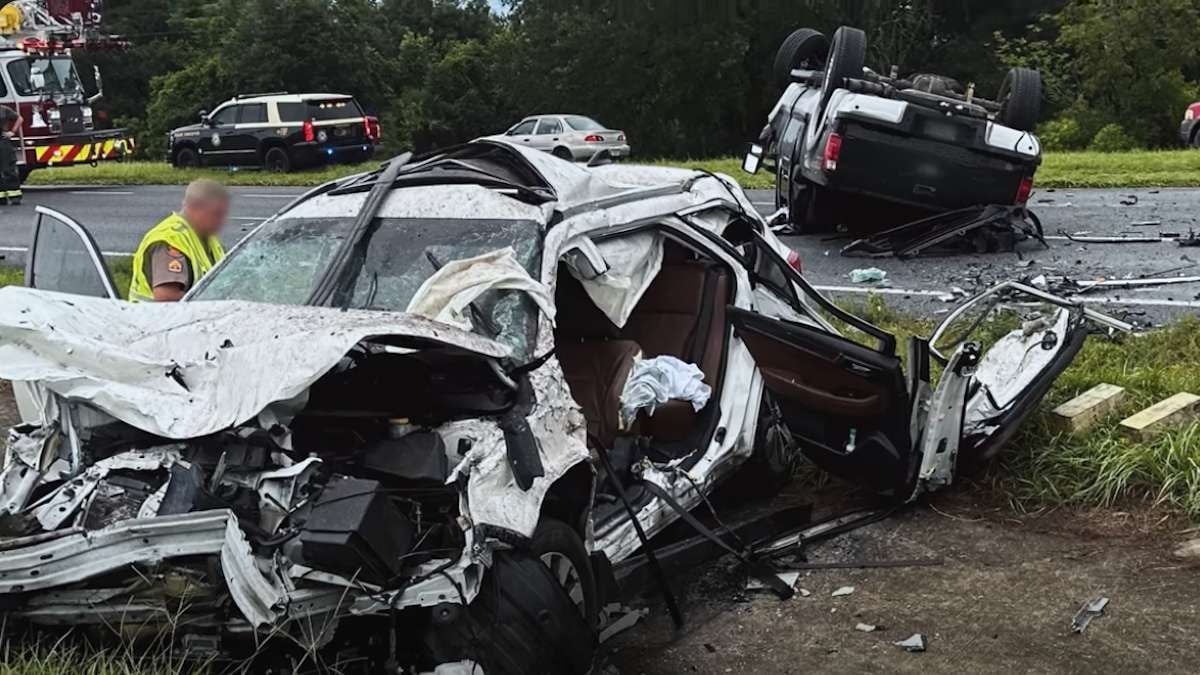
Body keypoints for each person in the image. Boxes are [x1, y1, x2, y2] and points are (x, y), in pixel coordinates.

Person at [129, 179, 229, 302]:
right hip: (156, 319)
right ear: (194, 208)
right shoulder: (170, 240)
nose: (222, 221)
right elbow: (167, 299)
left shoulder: (207, 237)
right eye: (216, 214)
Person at [0, 103, 24, 205]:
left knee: (8, 169)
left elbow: (19, 118)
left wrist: (12, 132)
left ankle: (15, 196)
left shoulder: (3, 109)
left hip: (3, 141)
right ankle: (1, 198)